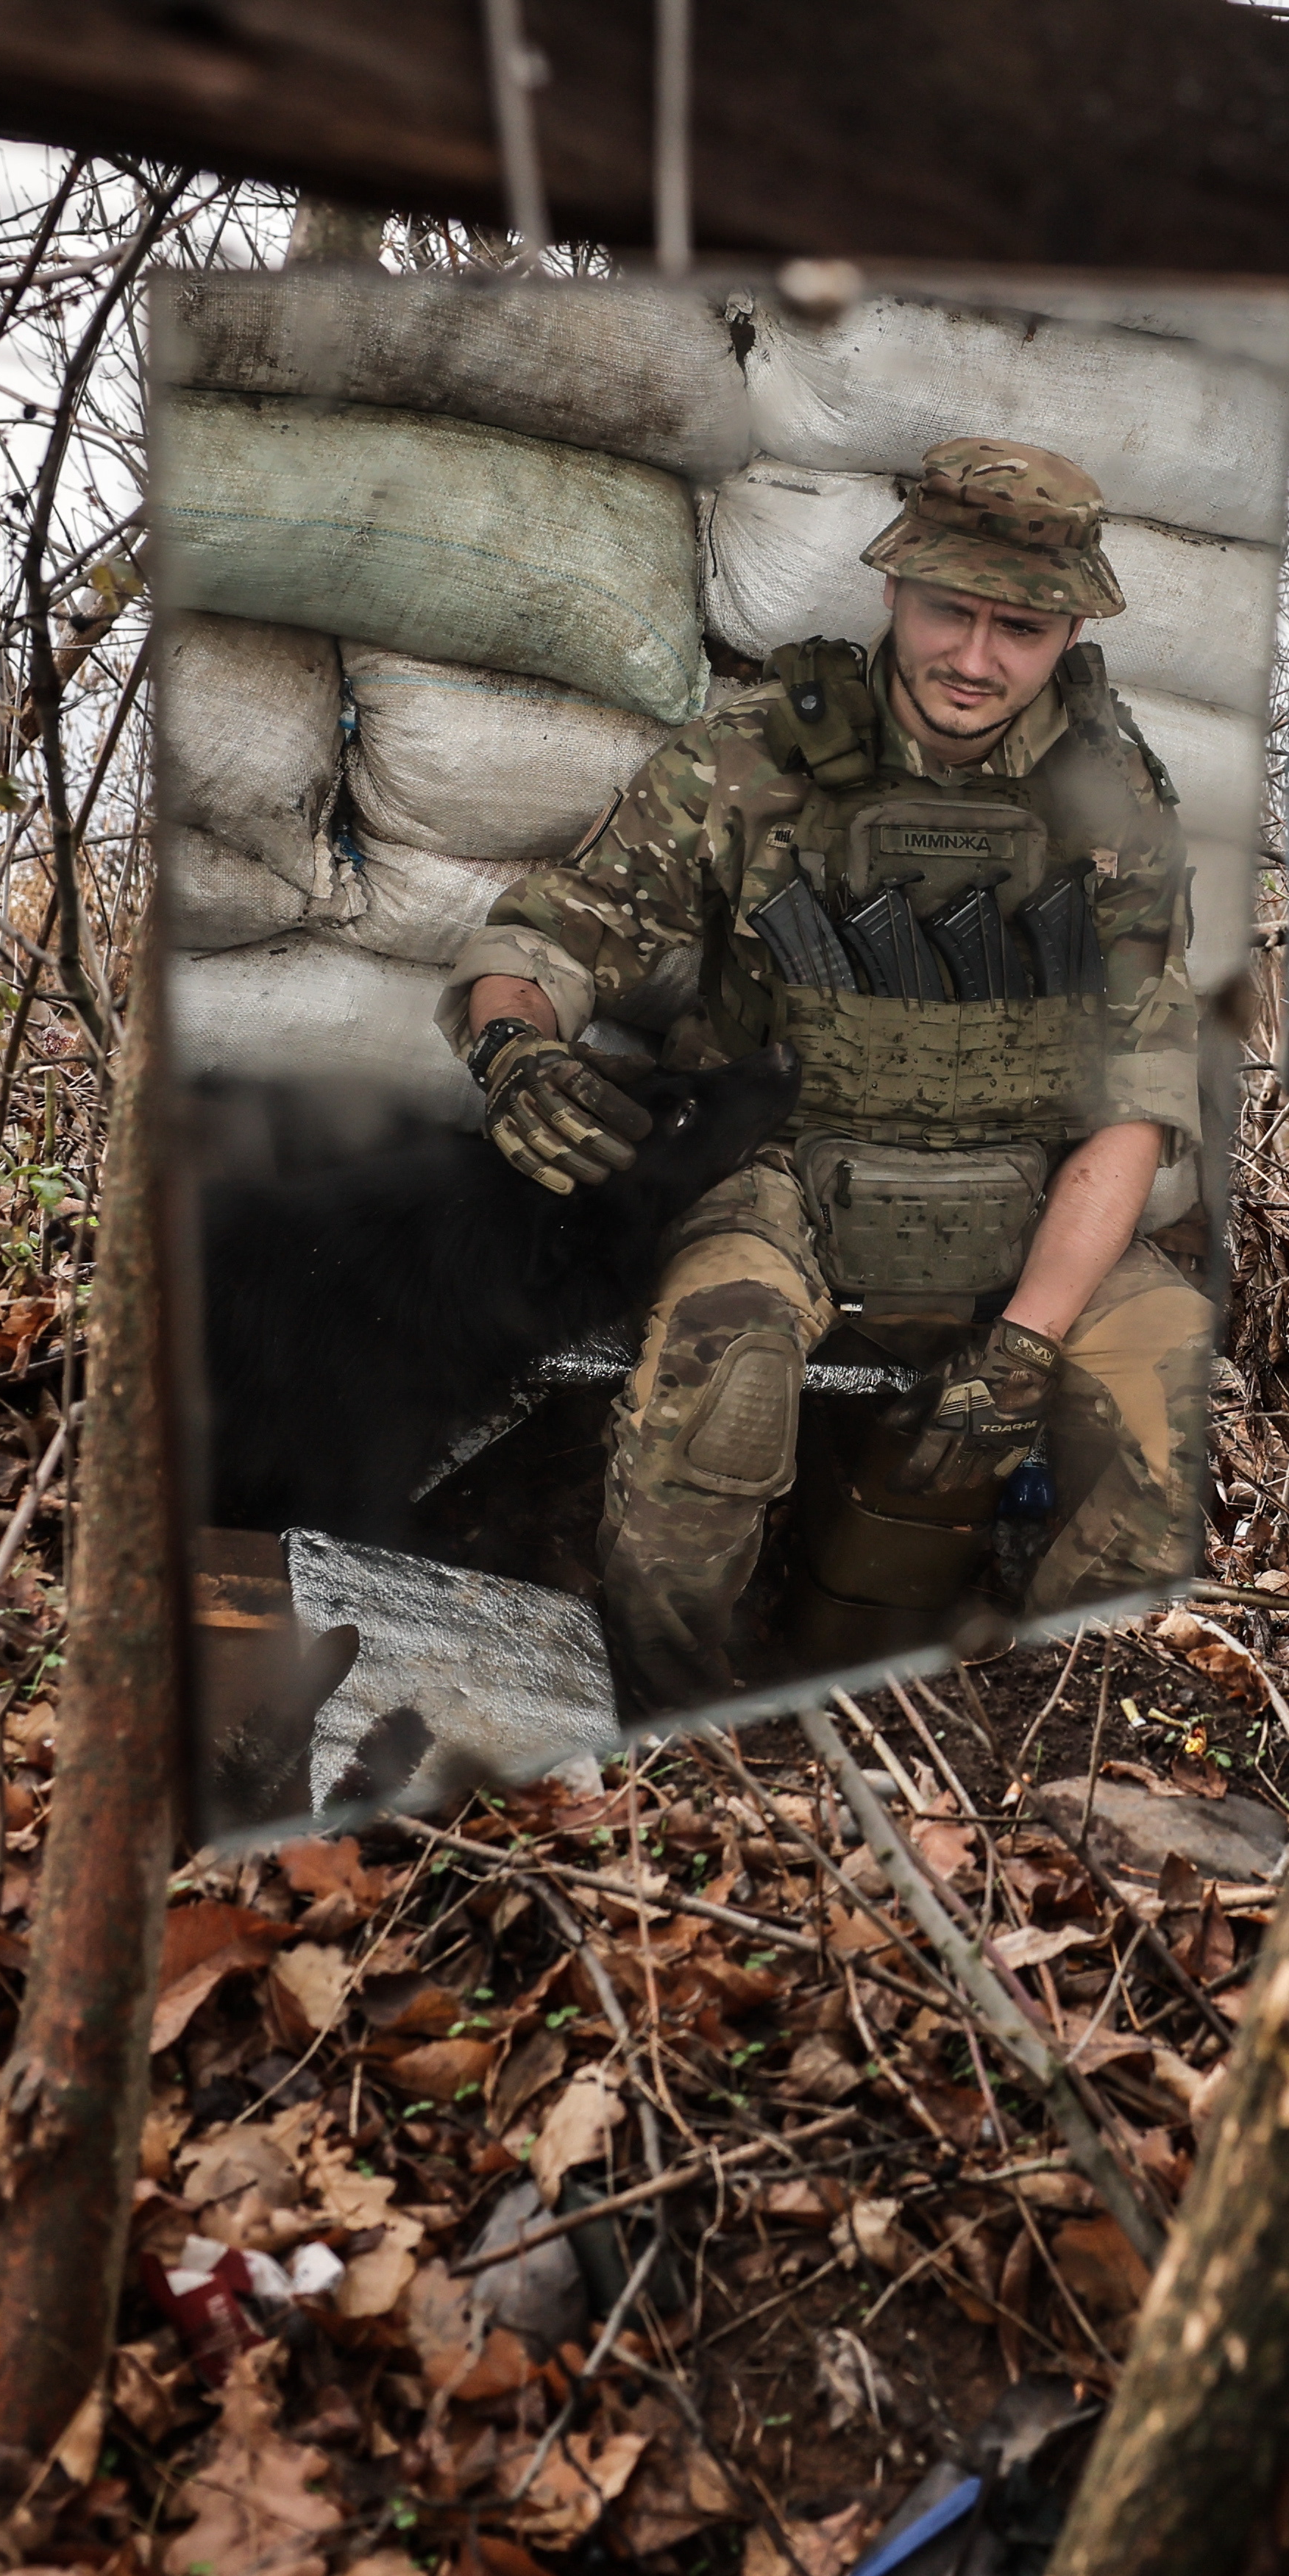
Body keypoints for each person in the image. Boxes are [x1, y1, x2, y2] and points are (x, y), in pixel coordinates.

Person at [439, 435, 1213, 1701]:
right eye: (948, 612)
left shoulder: (1115, 800)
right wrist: (514, 1045)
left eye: (1019, 627)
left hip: (1030, 1190)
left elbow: (1142, 1092)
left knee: (1169, 1391)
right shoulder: (751, 758)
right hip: (784, 1170)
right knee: (725, 1374)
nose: (974, 659)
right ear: (892, 594)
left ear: (1071, 628)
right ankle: (672, 1721)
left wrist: (1025, 1342)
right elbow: (554, 932)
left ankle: (1050, 1747)